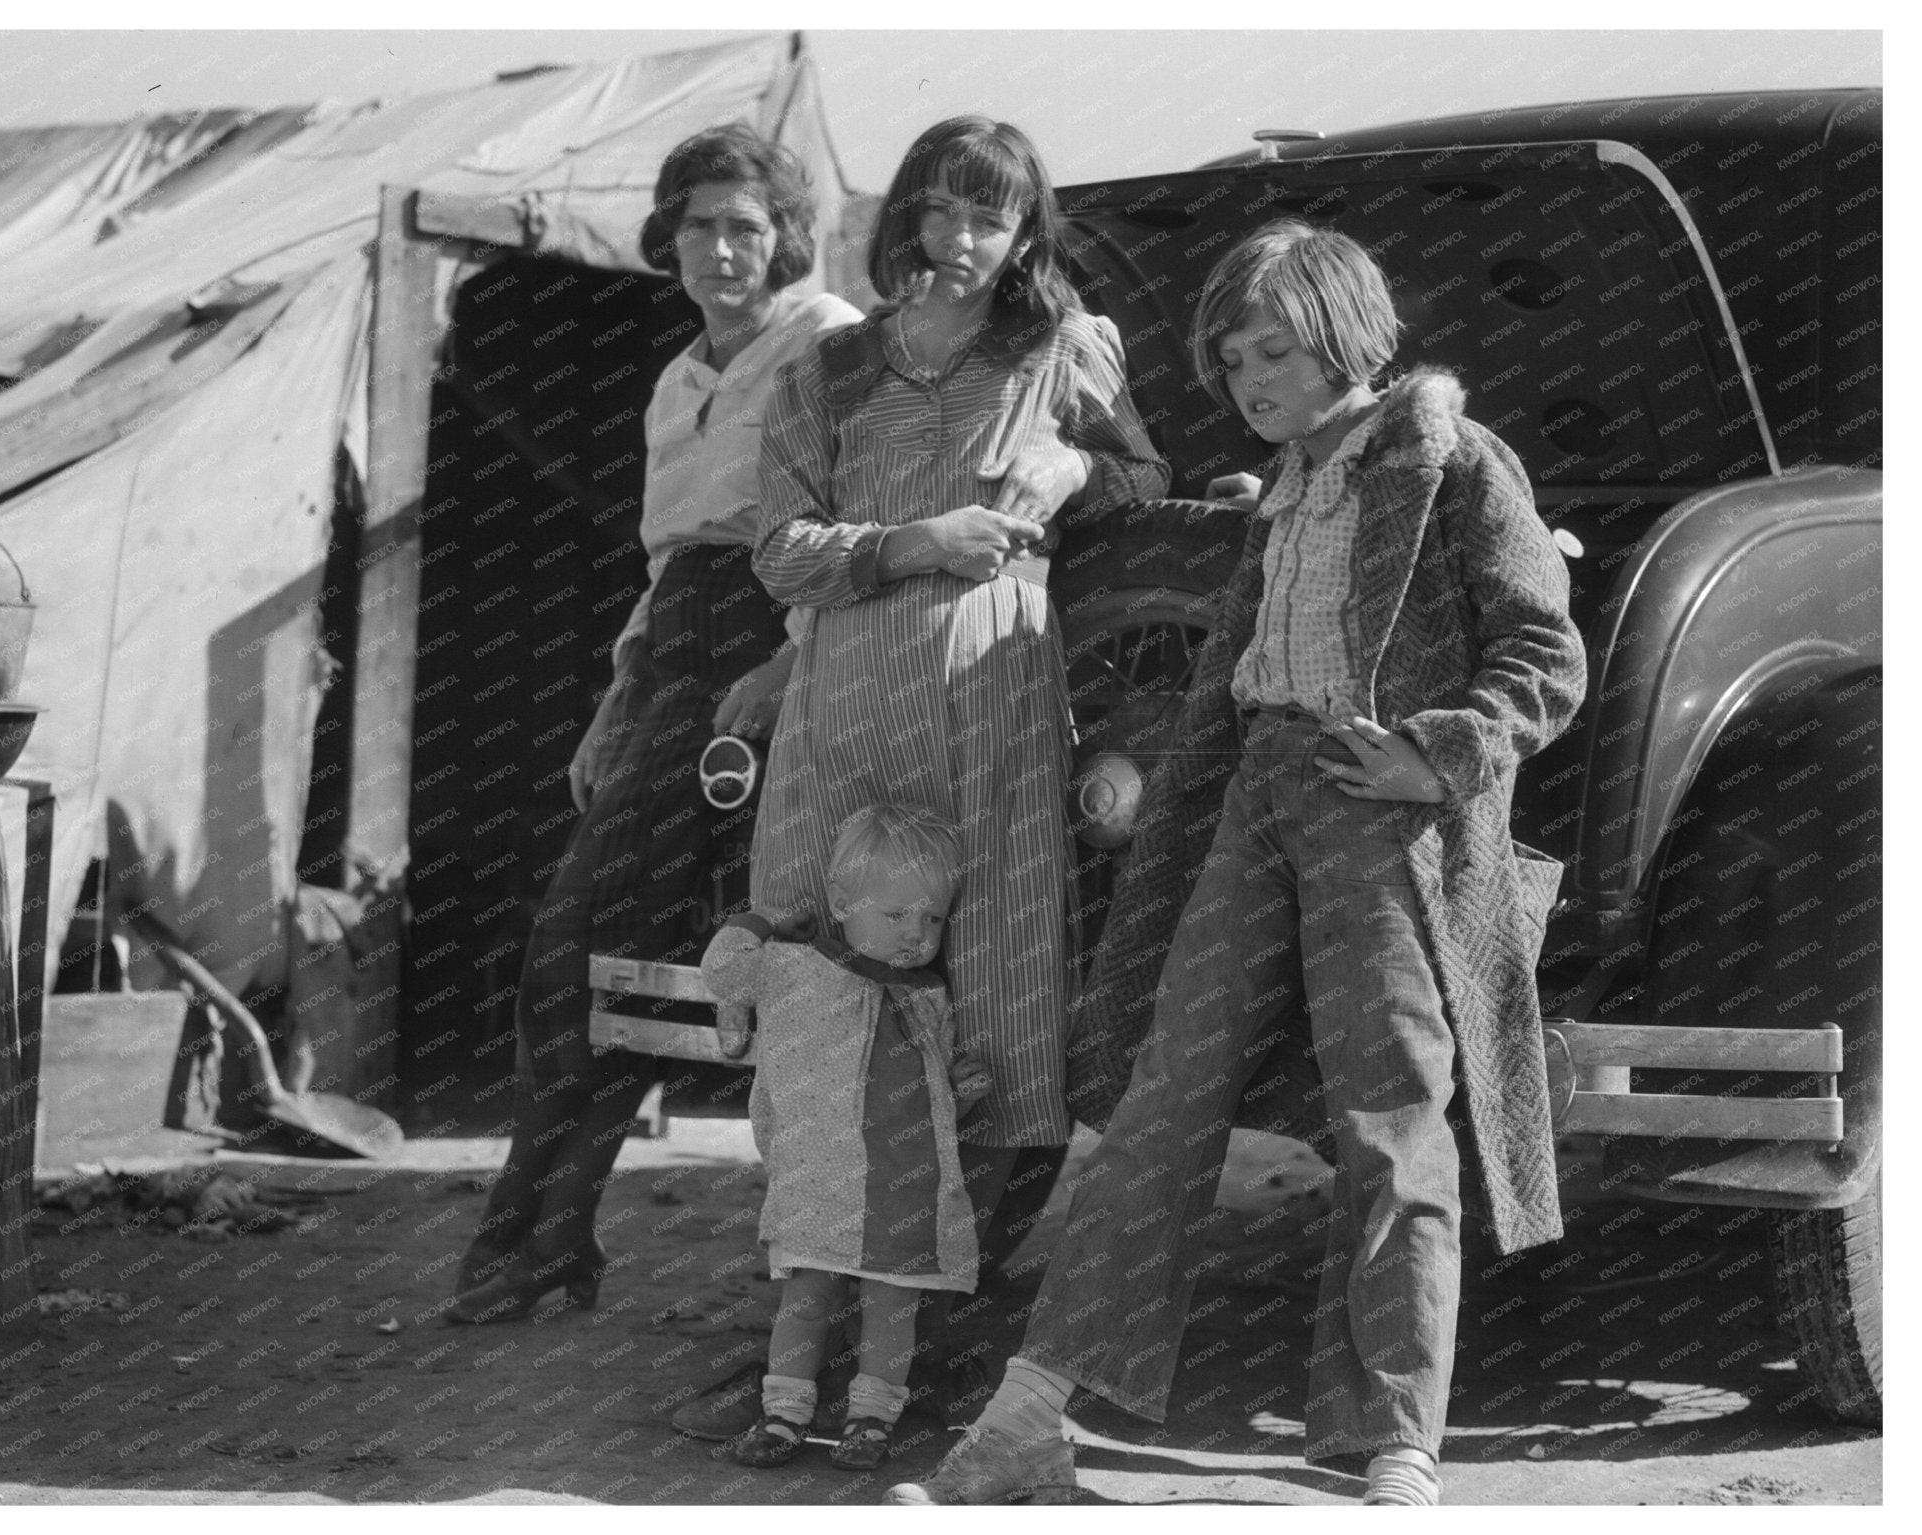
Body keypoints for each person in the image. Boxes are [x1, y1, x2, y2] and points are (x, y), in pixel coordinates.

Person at [887, 219, 1586, 1506]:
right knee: (1158, 1103)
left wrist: (1433, 755)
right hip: (1256, 799)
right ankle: (1027, 1416)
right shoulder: (1285, 485)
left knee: (1390, 1116)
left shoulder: (1455, 463)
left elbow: (1545, 657)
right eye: (1230, 356)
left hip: (1378, 811)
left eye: (1272, 349)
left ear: (1342, 337)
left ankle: (1397, 1448)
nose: (1247, 376)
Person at [742, 112, 1170, 1404]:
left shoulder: (1058, 346)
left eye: (996, 215)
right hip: (849, 706)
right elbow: (778, 549)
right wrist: (913, 541)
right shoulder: (829, 368)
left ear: (1027, 227)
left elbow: (1146, 475)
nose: (969, 238)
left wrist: (1073, 463)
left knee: (987, 1001)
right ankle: (806, 1329)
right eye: (946, 209)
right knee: (834, 990)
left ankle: (938, 1327)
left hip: (992, 708)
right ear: (909, 216)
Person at [448, 125, 860, 1324]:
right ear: (667, 237)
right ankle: (549, 1241)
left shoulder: (825, 341)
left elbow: (853, 519)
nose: (724, 249)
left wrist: (792, 662)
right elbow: (667, 562)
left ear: (783, 236)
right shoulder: (678, 377)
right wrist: (614, 703)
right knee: (580, 960)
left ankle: (532, 1245)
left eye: (746, 226)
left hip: (782, 639)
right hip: (674, 651)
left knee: (704, 961)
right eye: (700, 226)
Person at [700, 804, 989, 1471]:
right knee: (804, 1301)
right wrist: (764, 918)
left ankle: (870, 1421)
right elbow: (724, 973)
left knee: (893, 1309)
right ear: (840, 902)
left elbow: (929, 1103)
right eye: (895, 916)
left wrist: (960, 1090)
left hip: (903, 1191)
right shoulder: (796, 967)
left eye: (933, 918)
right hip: (819, 1186)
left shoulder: (928, 997)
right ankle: (784, 1415)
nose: (916, 934)